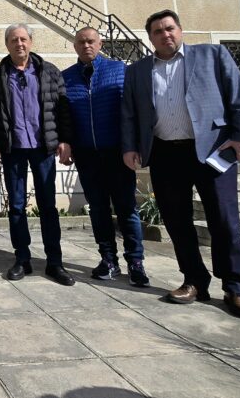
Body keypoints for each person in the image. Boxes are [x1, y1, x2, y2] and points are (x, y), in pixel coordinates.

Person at [121, 9, 240, 319]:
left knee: (223, 220)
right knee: (176, 221)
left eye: (170, 28)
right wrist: (130, 147)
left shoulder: (212, 55)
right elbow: (129, 112)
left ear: (180, 30)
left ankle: (234, 287)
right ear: (150, 38)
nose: (165, 34)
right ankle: (194, 280)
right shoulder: (138, 71)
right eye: (158, 31)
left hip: (211, 150)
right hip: (164, 152)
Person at [0, 23, 75, 286]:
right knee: (16, 206)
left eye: (23, 39)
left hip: (43, 148)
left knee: (48, 206)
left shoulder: (49, 72)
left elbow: (63, 109)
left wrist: (65, 140)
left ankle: (54, 262)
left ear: (31, 42)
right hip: (12, 149)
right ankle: (22, 259)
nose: (19, 44)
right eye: (14, 40)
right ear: (7, 44)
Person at [61, 28, 148, 286]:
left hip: (117, 152)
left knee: (126, 208)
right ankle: (108, 259)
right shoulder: (66, 77)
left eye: (91, 41)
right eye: (81, 42)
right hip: (87, 154)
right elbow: (64, 116)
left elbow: (132, 110)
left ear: (100, 43)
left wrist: (133, 146)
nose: (86, 45)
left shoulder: (119, 70)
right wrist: (67, 143)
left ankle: (136, 262)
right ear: (75, 46)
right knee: (98, 209)